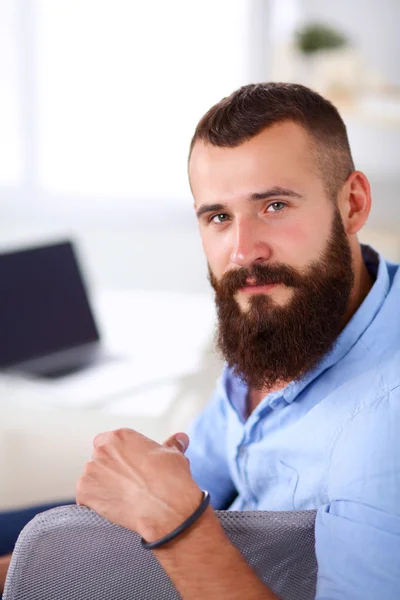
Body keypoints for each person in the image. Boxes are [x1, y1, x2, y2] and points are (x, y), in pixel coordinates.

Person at [3, 82, 400, 598]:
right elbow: (204, 470)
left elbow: (182, 510)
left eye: (275, 206)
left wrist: (179, 527)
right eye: (219, 217)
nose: (243, 251)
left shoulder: (382, 426)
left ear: (353, 203)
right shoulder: (283, 314)